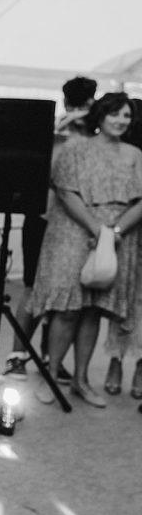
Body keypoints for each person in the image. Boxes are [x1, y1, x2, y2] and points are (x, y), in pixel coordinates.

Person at [28, 92, 142, 409]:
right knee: (67, 308)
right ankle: (50, 375)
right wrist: (97, 229)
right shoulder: (75, 149)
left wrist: (114, 232)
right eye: (115, 114)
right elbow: (64, 190)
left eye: (127, 115)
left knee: (93, 308)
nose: (121, 120)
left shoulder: (135, 153)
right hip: (73, 232)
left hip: (118, 235)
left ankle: (81, 380)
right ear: (100, 116)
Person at [5, 76, 97, 380]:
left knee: (65, 293)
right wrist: (63, 127)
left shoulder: (94, 138)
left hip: (74, 226)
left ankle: (49, 356)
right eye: (79, 103)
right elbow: (42, 171)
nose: (84, 109)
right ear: (69, 103)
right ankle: (17, 356)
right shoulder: (52, 132)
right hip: (41, 217)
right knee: (33, 287)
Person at [103, 96, 142, 398]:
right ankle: (115, 360)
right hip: (129, 227)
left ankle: (141, 364)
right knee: (122, 298)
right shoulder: (125, 146)